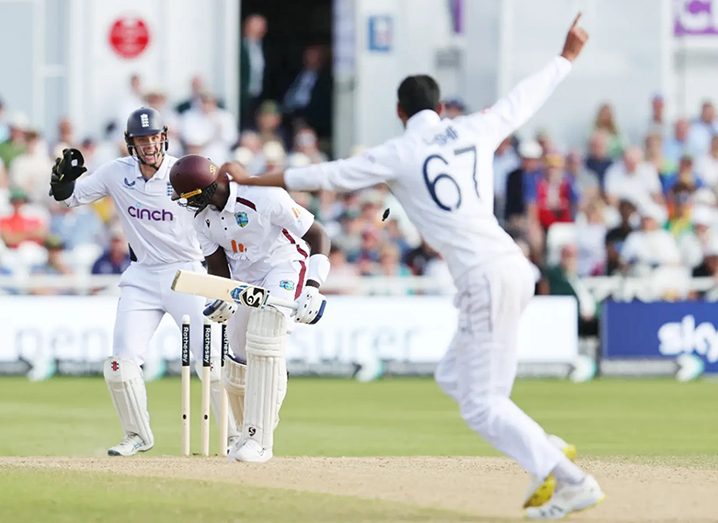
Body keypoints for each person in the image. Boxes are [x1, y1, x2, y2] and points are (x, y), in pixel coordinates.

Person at [222, 14, 603, 520]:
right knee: (453, 376)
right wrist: (566, 56)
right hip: (512, 266)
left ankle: (569, 480)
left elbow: (322, 174)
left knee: (482, 405)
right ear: (441, 108)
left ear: (399, 111)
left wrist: (253, 177)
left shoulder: (399, 152)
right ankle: (544, 446)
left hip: (485, 276)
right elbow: (523, 99)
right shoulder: (474, 128)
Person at [48, 107, 232, 456]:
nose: (149, 145)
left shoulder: (185, 172)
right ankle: (136, 435)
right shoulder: (117, 173)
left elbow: (220, 213)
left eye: (153, 138)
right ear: (130, 143)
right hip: (143, 275)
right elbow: (71, 198)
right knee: (121, 363)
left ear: (163, 136)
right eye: (141, 140)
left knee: (209, 363)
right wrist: (62, 182)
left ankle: (236, 437)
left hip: (188, 272)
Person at [168, 155, 330, 463]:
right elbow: (218, 269)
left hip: (283, 266)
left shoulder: (263, 196)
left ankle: (260, 439)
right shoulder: (201, 220)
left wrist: (313, 286)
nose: (184, 204)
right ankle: (247, 432)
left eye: (185, 197)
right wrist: (221, 298)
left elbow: (318, 235)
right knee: (238, 361)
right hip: (244, 280)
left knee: (265, 338)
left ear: (201, 191)